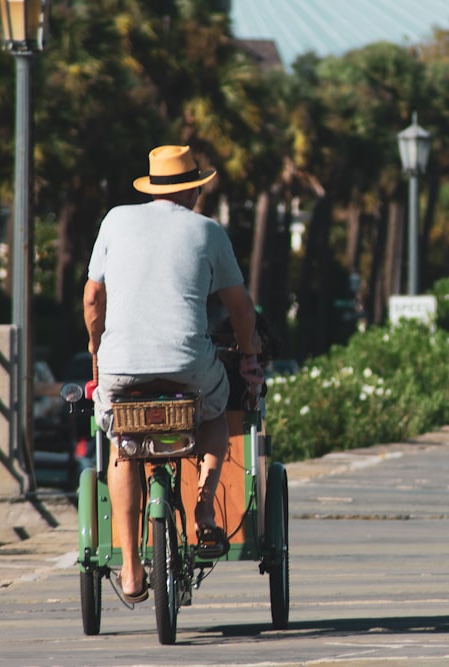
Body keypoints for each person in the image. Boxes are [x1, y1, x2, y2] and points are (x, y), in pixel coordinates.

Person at [83, 145, 263, 604]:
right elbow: (240, 308)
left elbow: (91, 299)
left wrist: (95, 348)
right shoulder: (207, 231)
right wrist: (248, 353)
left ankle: (128, 567)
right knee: (215, 412)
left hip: (122, 369)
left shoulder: (115, 221)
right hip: (189, 370)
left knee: (122, 448)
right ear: (193, 191)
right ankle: (204, 507)